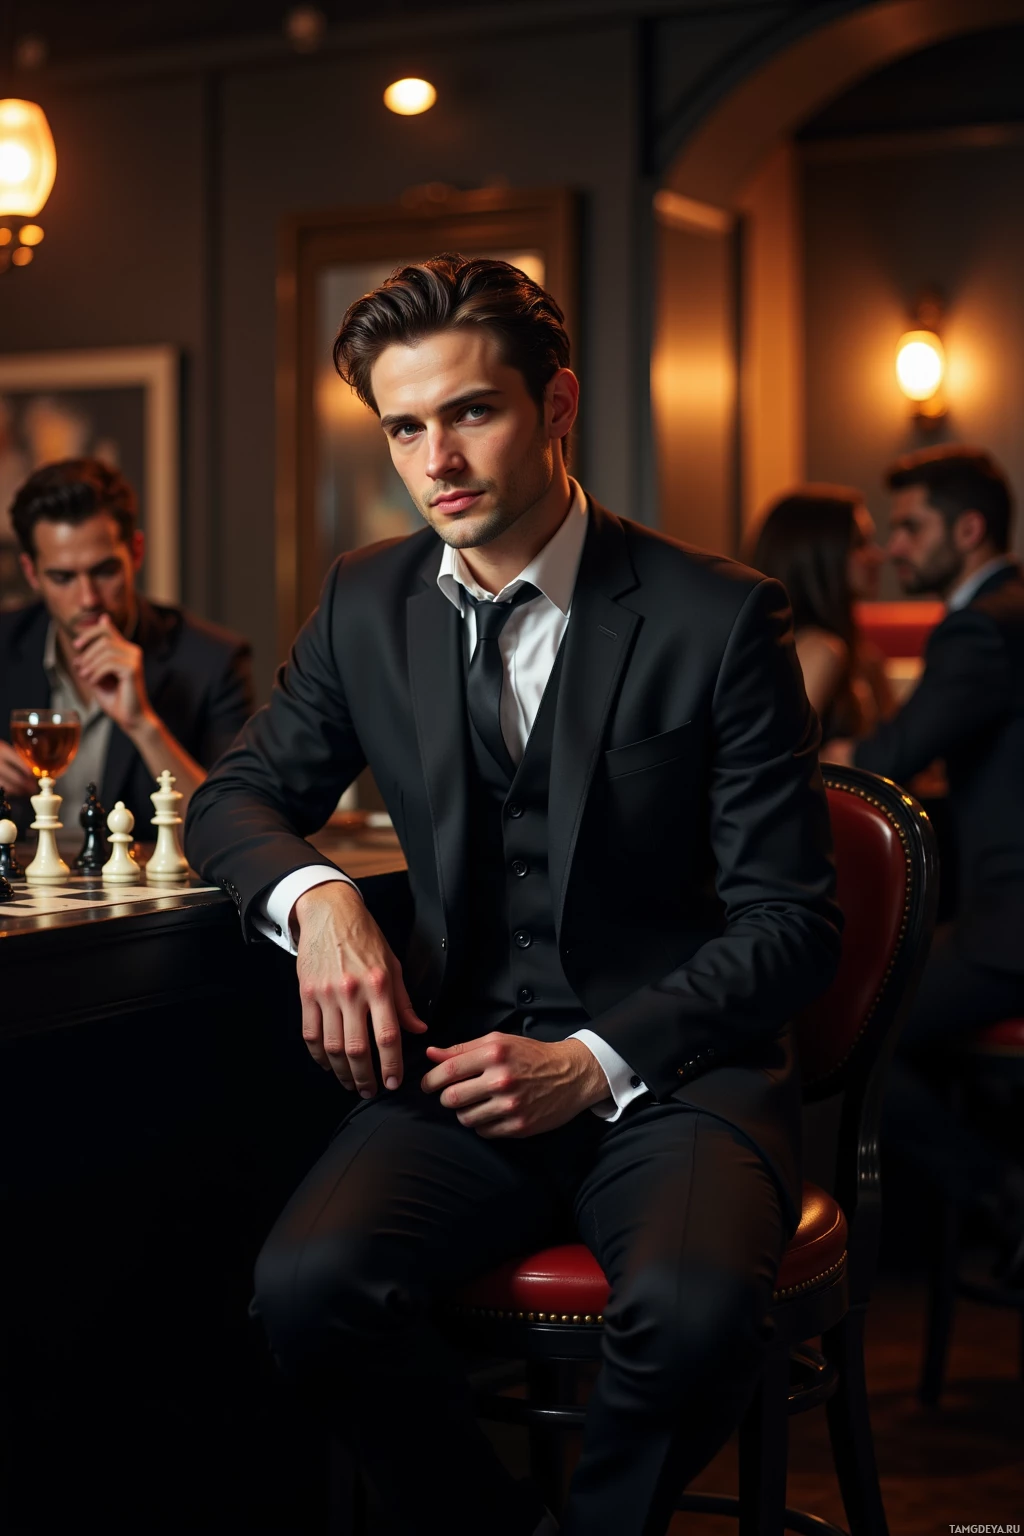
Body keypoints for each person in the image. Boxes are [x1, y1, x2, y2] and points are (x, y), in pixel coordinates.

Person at [185, 255, 842, 1536]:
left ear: (557, 405)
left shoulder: (718, 618)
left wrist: (592, 1062)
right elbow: (234, 798)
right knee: (306, 1290)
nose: (437, 458)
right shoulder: (367, 598)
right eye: (404, 426)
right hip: (456, 1069)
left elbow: (793, 926)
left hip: (675, 1076)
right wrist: (321, 898)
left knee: (698, 1316)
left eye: (470, 411)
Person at [828, 445, 1024, 1277]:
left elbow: (888, 757)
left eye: (910, 527)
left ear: (969, 528)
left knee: (848, 1027)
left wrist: (829, 752)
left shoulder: (982, 626)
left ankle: (1002, 1197)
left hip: (1009, 931)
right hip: (994, 912)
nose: (895, 549)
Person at [0, 458, 254, 836]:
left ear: (135, 552)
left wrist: (143, 726)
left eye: (104, 571)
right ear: (32, 573)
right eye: (63, 577)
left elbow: (235, 834)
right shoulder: (4, 641)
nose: (87, 598)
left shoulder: (213, 662)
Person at [749, 486, 892, 739]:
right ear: (815, 555)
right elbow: (776, 759)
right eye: (860, 544)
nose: (877, 556)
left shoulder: (856, 652)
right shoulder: (822, 650)